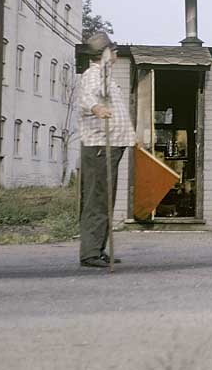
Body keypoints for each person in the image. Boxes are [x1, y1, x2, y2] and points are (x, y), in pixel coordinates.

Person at [78, 32, 137, 268]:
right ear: (103, 53)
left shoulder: (107, 77)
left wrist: (131, 137)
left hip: (110, 145)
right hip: (100, 146)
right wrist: (95, 109)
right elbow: (86, 97)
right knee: (98, 199)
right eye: (112, 50)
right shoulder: (94, 76)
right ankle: (90, 252)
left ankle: (97, 248)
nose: (116, 54)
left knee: (106, 199)